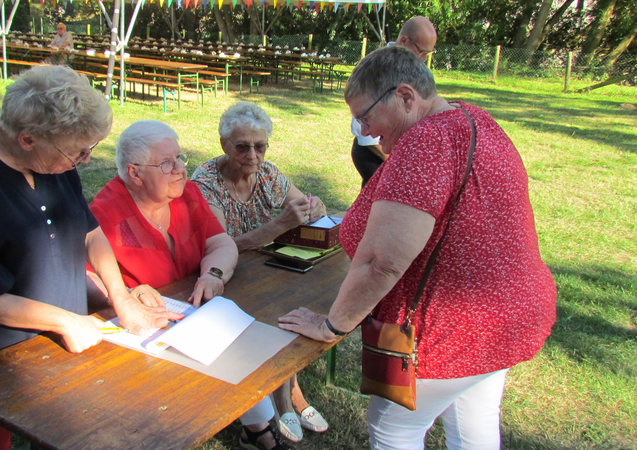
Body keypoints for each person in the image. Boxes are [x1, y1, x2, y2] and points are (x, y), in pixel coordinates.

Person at [279, 45, 556, 449]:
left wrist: (332, 324)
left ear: (406, 97)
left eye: (366, 117)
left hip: (450, 331)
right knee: (475, 423)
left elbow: (380, 263)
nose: (366, 132)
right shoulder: (471, 117)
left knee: (396, 432)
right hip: (503, 320)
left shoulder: (425, 141)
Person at [0, 65, 178, 450]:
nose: (85, 159)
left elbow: (89, 232)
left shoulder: (52, 149)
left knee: (66, 434)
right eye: (78, 152)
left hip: (57, 337)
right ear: (27, 140)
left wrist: (120, 297)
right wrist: (64, 320)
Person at [86, 120, 288, 450]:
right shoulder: (107, 212)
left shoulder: (187, 194)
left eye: (180, 158)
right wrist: (122, 294)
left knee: (238, 335)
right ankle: (259, 431)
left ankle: (258, 429)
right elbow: (81, 275)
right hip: (146, 333)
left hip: (193, 310)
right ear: (135, 174)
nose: (181, 169)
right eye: (168, 163)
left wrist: (213, 276)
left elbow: (222, 245)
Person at [191, 102, 329, 443]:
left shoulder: (268, 174)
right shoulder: (205, 183)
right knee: (274, 313)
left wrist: (314, 209)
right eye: (242, 147)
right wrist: (280, 224)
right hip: (224, 277)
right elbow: (223, 246)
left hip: (268, 269)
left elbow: (304, 207)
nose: (253, 155)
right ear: (224, 145)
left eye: (260, 146)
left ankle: (288, 388)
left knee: (297, 302)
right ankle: (284, 398)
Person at [350, 16, 437, 187]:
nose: (424, 59)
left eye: (428, 53)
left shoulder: (413, 72)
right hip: (375, 152)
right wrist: (398, 162)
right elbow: (366, 133)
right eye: (422, 52)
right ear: (404, 41)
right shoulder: (379, 68)